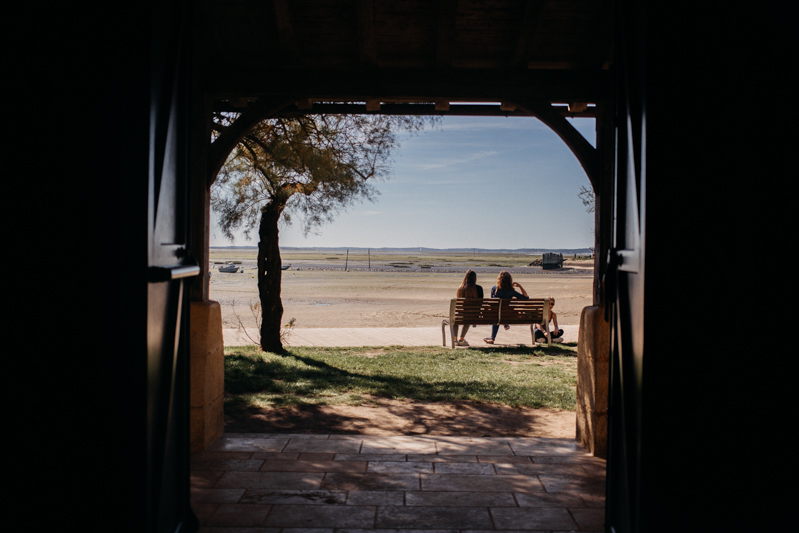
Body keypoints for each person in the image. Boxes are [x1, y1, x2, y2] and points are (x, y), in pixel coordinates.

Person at [484, 271, 529, 344]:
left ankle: (492, 338)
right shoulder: (511, 291)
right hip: (507, 315)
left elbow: (492, 302)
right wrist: (520, 286)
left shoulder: (494, 288)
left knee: (497, 314)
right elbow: (526, 297)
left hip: (495, 314)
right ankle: (505, 323)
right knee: (502, 312)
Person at [454, 270, 483, 346]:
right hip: (473, 315)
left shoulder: (460, 289)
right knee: (468, 318)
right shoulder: (479, 288)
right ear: (475, 278)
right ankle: (461, 339)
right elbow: (481, 303)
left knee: (455, 319)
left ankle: (455, 340)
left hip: (461, 314)